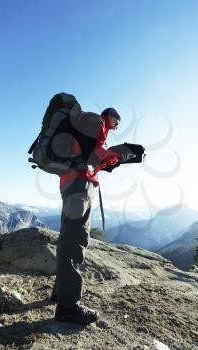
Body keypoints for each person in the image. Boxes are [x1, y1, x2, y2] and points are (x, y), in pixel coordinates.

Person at [54, 107, 121, 325]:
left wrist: (104, 163)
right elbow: (99, 152)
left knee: (68, 235)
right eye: (116, 119)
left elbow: (91, 156)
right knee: (75, 239)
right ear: (108, 116)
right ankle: (68, 307)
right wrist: (116, 156)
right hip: (80, 184)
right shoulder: (98, 124)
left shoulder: (86, 127)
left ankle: (60, 293)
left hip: (71, 182)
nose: (117, 124)